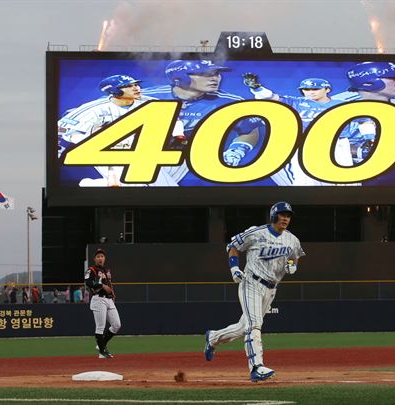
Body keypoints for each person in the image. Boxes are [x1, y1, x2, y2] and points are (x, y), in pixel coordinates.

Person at [204, 202, 305, 382]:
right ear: (274, 216)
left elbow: (295, 256)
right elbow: (233, 246)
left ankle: (213, 338)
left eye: (288, 216)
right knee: (254, 324)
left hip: (271, 289)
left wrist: (293, 266)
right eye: (282, 215)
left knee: (245, 327)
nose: (285, 218)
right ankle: (256, 367)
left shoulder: (292, 239)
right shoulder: (256, 233)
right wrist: (234, 268)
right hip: (251, 283)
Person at [144, 60, 264, 185]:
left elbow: (250, 130)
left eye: (216, 73)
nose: (215, 78)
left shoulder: (229, 102)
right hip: (145, 157)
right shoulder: (146, 98)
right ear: (178, 78)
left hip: (193, 161)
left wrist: (237, 151)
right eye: (205, 74)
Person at [58, 74, 176, 187]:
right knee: (127, 185)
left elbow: (175, 119)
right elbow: (63, 129)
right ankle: (90, 184)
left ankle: (95, 184)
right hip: (109, 153)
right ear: (114, 90)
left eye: (136, 84)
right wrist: (92, 144)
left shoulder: (149, 102)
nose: (136, 88)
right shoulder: (95, 108)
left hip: (142, 152)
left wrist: (177, 135)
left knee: (166, 186)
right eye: (129, 86)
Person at [242, 74, 352, 185]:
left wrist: (368, 137)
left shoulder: (341, 104)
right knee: (305, 182)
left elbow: (364, 121)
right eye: (306, 89)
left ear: (327, 89)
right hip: (304, 144)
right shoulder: (296, 102)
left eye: (315, 89)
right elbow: (271, 97)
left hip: (336, 144)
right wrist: (256, 88)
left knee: (345, 181)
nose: (310, 92)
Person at [340, 61, 395, 165]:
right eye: (394, 78)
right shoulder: (336, 106)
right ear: (368, 82)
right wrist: (362, 151)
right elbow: (323, 144)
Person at [85, 248, 121, 359]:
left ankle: (101, 345)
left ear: (104, 258)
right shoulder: (91, 270)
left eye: (102, 256)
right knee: (100, 327)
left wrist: (112, 294)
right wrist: (101, 286)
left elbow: (109, 284)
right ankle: (102, 352)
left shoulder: (107, 271)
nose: (100, 258)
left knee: (116, 325)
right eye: (98, 256)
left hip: (109, 300)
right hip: (99, 299)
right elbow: (88, 282)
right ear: (95, 259)